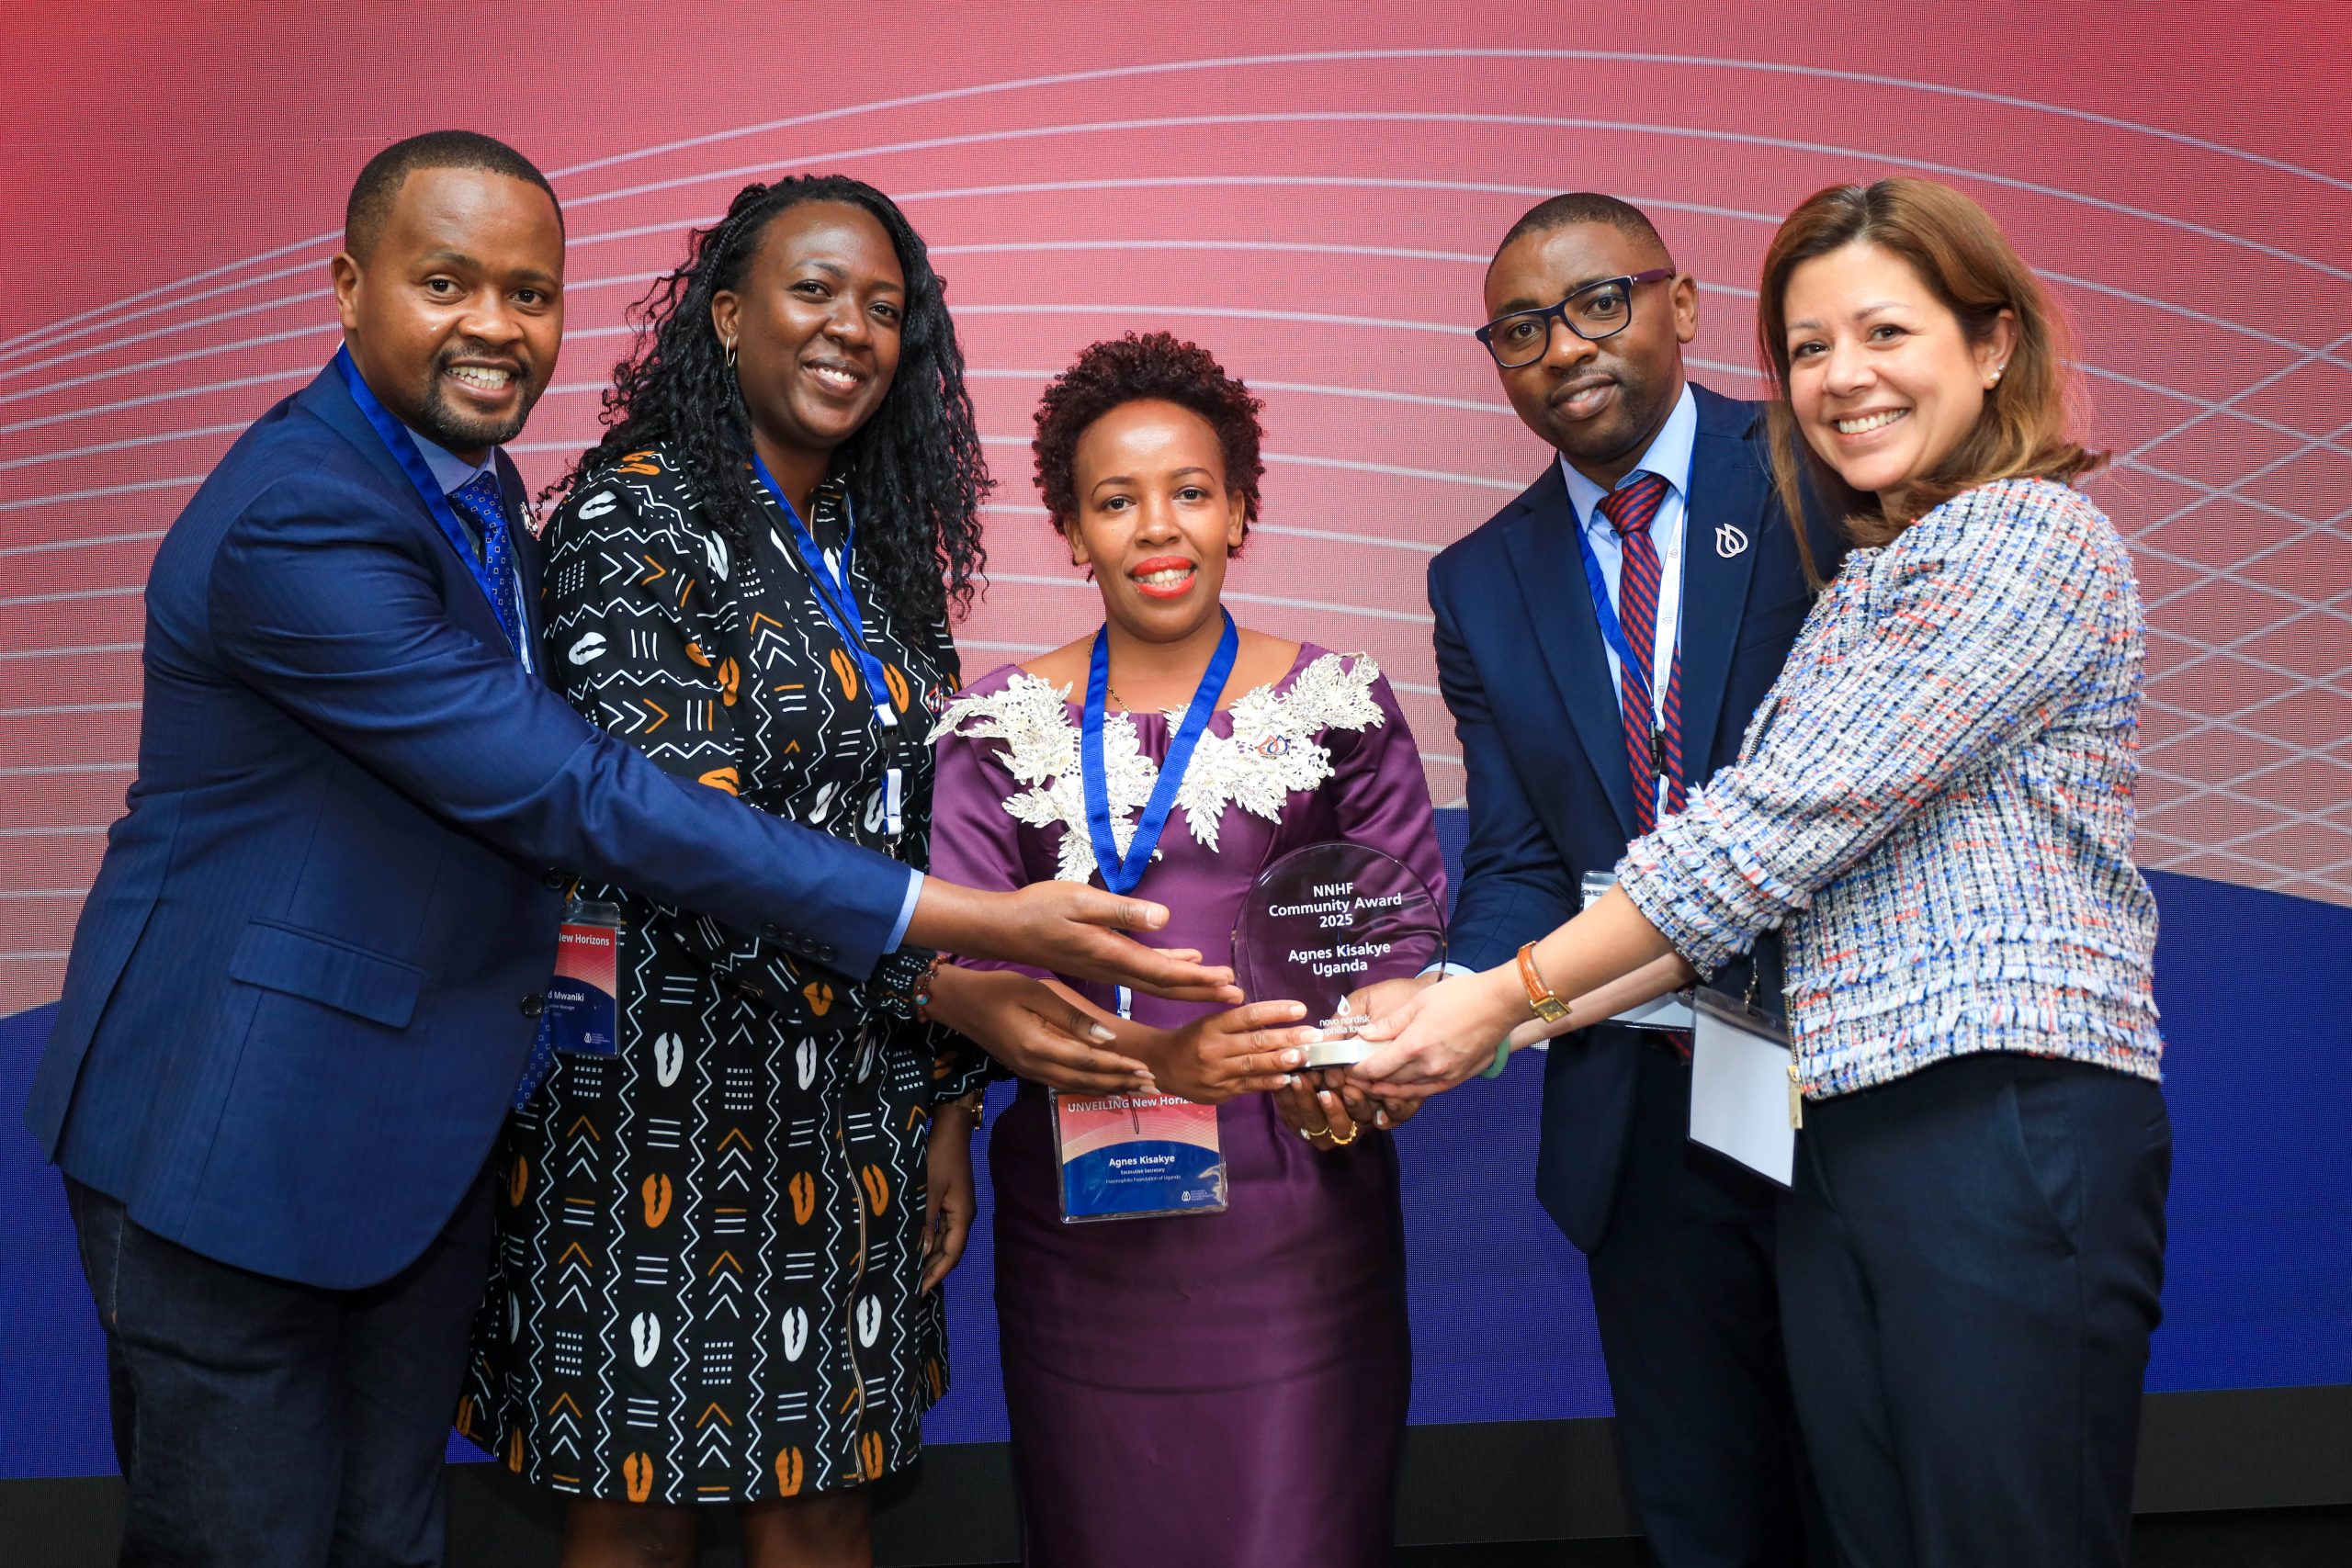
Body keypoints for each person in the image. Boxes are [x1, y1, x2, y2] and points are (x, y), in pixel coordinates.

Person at [22, 134, 1227, 1568]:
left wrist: (941, 1084)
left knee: (390, 1536)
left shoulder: (484, 492)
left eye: (529, 294)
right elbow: (601, 802)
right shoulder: (325, 511)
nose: (494, 325)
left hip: (576, 1116)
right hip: (312, 1117)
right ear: (349, 288)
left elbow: (891, 805)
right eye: (447, 284)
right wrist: (964, 945)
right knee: (253, 1542)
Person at [1354, 177, 2170, 1568]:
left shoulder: (2019, 539)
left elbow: (1759, 840)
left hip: (1989, 1113)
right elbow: (1604, 865)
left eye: (1885, 334)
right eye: (1808, 348)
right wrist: (1463, 1011)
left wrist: (1495, 1007)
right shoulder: (1877, 571)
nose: (1844, 378)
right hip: (1843, 1124)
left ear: (1992, 343)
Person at [459, 174, 1165, 1568]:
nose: (853, 328)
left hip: (853, 1113)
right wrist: (939, 992)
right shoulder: (630, 520)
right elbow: (677, 834)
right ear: (728, 316)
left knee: (825, 1504)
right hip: (658, 1107)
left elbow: (927, 833)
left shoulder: (874, 547)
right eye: (816, 291)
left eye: (885, 308)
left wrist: (944, 1100)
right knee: (637, 1514)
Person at [1347, 192, 1842, 1567]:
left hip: (1848, 1079)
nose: (1563, 347)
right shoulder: (1479, 580)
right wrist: (1445, 999)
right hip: (1643, 1108)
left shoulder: (1815, 467)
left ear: (1681, 305)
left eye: (1598, 303)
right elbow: (1519, 853)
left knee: (1880, 1498)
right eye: (1521, 329)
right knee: (1702, 1516)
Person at [926, 333, 1446, 1568]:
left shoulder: (1342, 704)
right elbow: (963, 976)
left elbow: (1395, 943)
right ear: (1071, 528)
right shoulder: (995, 724)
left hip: (1300, 1204)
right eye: (1116, 501)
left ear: (1241, 509)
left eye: (1192, 492)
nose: (1157, 528)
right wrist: (1163, 1061)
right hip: (1082, 1217)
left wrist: (1358, 1083)